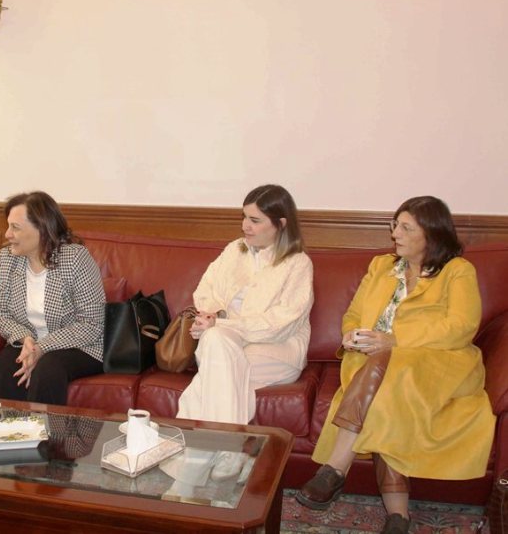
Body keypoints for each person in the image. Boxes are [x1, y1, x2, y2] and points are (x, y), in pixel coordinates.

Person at [296, 196, 495, 534]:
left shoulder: (457, 271)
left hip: (437, 362)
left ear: (431, 233)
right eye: (395, 225)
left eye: (405, 228)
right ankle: (398, 517)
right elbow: (354, 314)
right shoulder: (381, 267)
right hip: (373, 361)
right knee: (385, 403)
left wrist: (395, 340)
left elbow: (461, 327)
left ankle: (336, 467)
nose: (395, 234)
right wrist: (350, 334)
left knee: (387, 377)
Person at [176, 184, 313, 429]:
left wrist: (221, 324)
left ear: (281, 224)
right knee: (217, 345)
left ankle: (194, 446)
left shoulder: (298, 263)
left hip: (275, 350)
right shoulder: (234, 250)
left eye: (254, 220)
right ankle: (224, 446)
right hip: (225, 342)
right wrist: (214, 316)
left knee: (216, 363)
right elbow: (205, 291)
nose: (245, 226)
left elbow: (280, 326)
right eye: (244, 217)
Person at [0, 191, 105, 405]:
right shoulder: (7, 259)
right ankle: (9, 426)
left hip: (80, 346)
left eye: (15, 227)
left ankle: (45, 429)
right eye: (8, 226)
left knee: (48, 369)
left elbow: (92, 324)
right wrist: (26, 339)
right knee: (5, 364)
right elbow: (1, 312)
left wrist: (42, 347)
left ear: (41, 229)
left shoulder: (75, 259)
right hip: (29, 341)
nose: (7, 234)